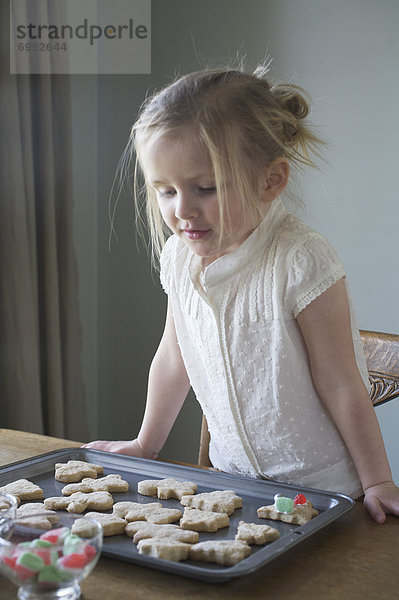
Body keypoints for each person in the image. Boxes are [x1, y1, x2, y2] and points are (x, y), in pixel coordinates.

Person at [84, 66, 399, 524]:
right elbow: (175, 359)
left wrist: (377, 481)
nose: (182, 209)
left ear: (270, 180)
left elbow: (342, 381)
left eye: (205, 188)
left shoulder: (300, 258)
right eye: (166, 191)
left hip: (322, 493)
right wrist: (145, 444)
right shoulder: (179, 256)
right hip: (233, 485)